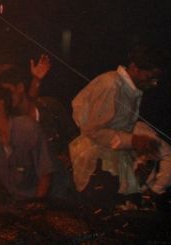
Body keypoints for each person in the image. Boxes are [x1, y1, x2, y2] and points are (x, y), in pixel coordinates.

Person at [69, 47, 163, 209]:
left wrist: (137, 151)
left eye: (155, 79)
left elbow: (120, 129)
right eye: (149, 77)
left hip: (114, 161)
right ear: (134, 67)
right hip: (96, 161)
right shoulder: (111, 85)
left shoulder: (132, 89)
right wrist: (133, 141)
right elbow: (93, 130)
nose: (152, 83)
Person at [0, 67, 77, 197]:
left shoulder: (51, 107)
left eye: (8, 92)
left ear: (20, 87)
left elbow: (74, 137)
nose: (6, 98)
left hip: (66, 187)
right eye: (2, 95)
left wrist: (68, 156)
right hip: (35, 192)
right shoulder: (10, 124)